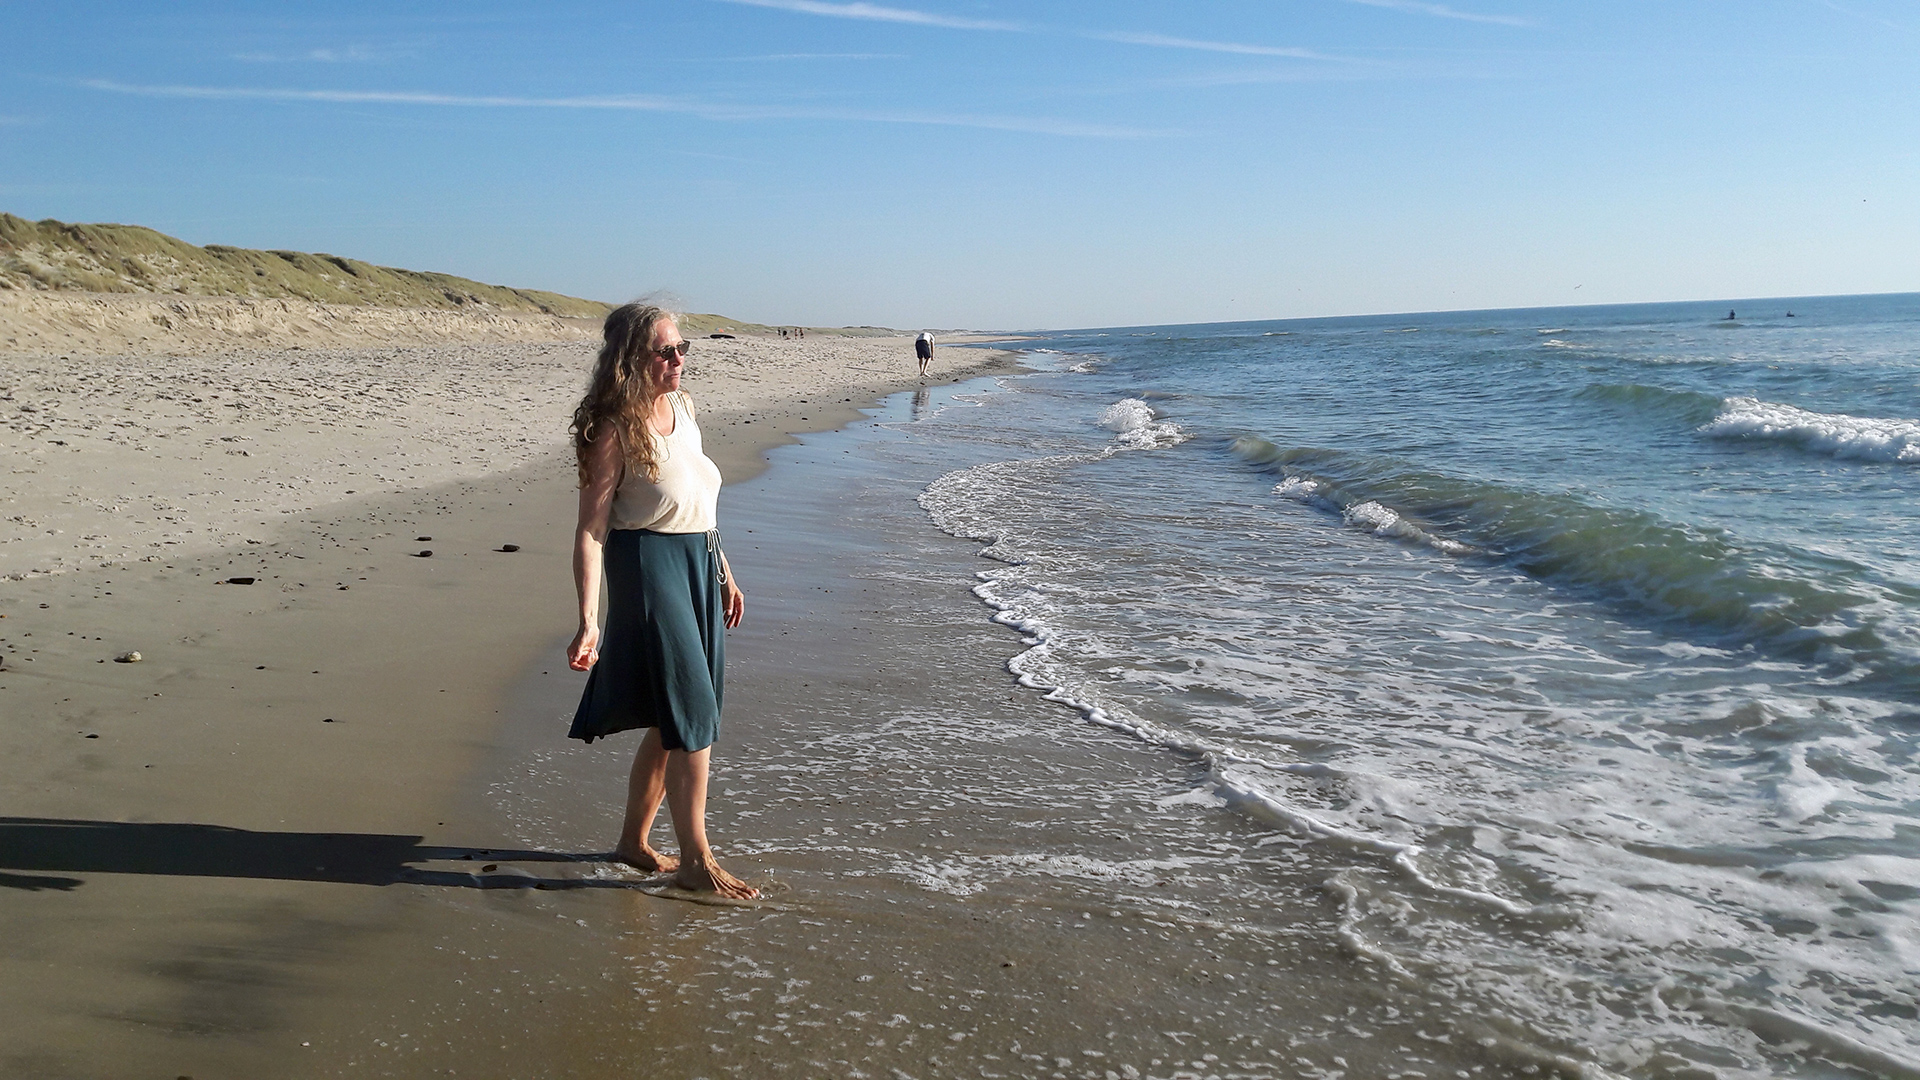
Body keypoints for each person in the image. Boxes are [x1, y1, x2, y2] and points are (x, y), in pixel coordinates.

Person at [566, 302, 758, 899]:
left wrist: (723, 572)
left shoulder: (684, 407)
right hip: (648, 566)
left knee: (673, 714)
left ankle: (633, 842)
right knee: (693, 712)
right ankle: (697, 859)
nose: (678, 360)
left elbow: (697, 502)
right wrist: (588, 620)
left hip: (699, 563)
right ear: (631, 359)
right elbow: (591, 530)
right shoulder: (612, 428)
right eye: (665, 351)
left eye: (682, 349)